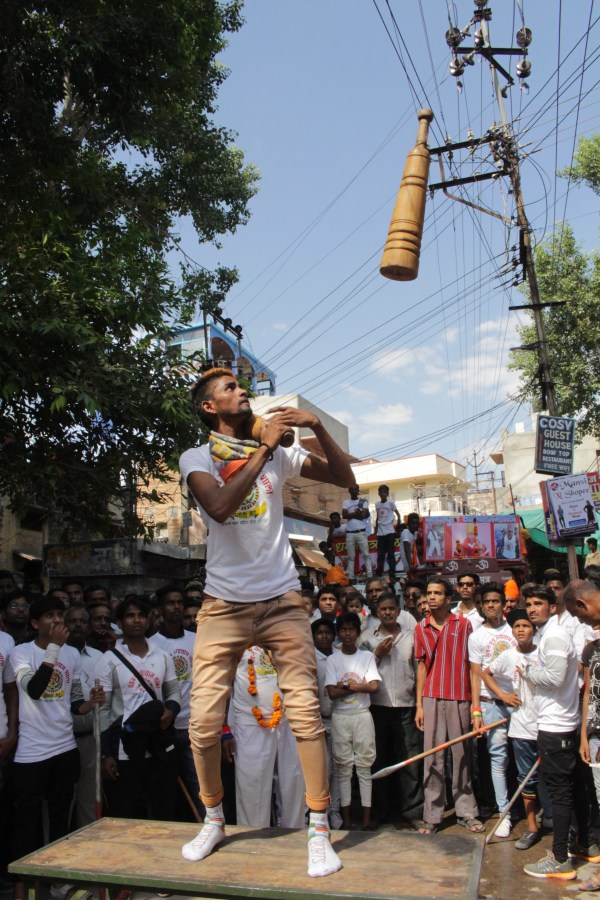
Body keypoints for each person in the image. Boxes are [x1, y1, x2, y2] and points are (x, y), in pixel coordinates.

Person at [179, 367, 353, 877]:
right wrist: (264, 450)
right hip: (223, 606)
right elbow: (220, 507)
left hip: (281, 601)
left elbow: (345, 480)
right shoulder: (198, 457)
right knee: (206, 722)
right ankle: (214, 819)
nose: (242, 391)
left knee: (305, 716)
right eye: (229, 387)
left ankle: (318, 830)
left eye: (240, 384)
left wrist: (316, 427)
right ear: (210, 407)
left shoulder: (279, 451)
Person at [8, 597, 105, 899]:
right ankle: (30, 883)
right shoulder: (20, 653)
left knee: (62, 818)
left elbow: (73, 701)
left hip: (65, 749)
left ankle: (58, 880)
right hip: (32, 753)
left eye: (58, 614)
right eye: (48, 615)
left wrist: (90, 703)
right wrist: (53, 650)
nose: (56, 620)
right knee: (29, 823)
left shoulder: (72, 655)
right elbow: (35, 690)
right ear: (35, 623)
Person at [519, 584, 596, 880]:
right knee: (575, 789)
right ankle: (584, 844)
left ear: (553, 607)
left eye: (538, 603)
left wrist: (527, 671)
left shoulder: (553, 636)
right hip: (564, 724)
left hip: (555, 727)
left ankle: (560, 857)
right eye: (529, 604)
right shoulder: (551, 634)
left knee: (560, 794)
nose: (532, 608)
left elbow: (553, 676)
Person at [101, 597, 181, 821]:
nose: (136, 620)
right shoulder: (109, 660)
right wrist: (106, 754)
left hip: (159, 745)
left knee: (162, 809)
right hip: (124, 749)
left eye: (141, 615)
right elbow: (103, 710)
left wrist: (171, 711)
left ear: (148, 620)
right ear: (120, 622)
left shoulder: (162, 656)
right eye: (130, 615)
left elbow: (174, 692)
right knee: (127, 813)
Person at [414, 577, 483, 835]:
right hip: (431, 696)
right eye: (429, 593)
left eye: (437, 593)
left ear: (447, 597)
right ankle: (432, 814)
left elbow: (473, 666)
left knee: (462, 755)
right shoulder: (421, 628)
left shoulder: (463, 625)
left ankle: (466, 811)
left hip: (460, 696)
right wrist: (419, 705)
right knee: (432, 757)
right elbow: (421, 667)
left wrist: (475, 707)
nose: (431, 597)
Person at [482, 608, 546, 851]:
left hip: (546, 724)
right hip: (520, 727)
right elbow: (485, 673)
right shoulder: (508, 656)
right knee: (525, 778)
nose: (521, 630)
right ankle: (531, 828)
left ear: (534, 629)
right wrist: (503, 695)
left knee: (550, 777)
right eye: (517, 626)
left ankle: (550, 818)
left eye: (526, 626)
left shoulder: (545, 653)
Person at [362, 592, 423, 825]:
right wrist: (376, 655)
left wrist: (419, 704)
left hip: (406, 706)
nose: (387, 612)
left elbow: (420, 670)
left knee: (410, 761)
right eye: (383, 609)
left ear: (398, 611)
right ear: (377, 612)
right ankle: (380, 811)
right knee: (379, 760)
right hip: (377, 707)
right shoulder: (367, 638)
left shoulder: (411, 636)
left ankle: (413, 812)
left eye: (391, 609)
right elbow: (360, 672)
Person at [232, 646, 305, 829]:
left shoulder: (283, 634)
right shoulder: (237, 637)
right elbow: (222, 683)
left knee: (294, 782)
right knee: (252, 787)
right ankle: (254, 840)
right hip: (250, 722)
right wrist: (224, 728)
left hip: (289, 719)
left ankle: (294, 836)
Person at [468, 584, 517, 837]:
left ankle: (530, 808)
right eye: (486, 602)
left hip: (520, 705)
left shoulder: (516, 629)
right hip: (491, 705)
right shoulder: (476, 636)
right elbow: (475, 675)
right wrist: (476, 710)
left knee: (523, 759)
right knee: (497, 759)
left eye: (496, 601)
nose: (491, 606)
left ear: (504, 603)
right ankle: (504, 813)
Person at [151, 585, 203, 817]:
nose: (176, 607)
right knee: (166, 788)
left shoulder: (196, 639)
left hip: (194, 725)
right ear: (160, 609)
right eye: (170, 603)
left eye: (179, 602)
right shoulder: (152, 644)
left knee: (200, 786)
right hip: (165, 728)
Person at [325, 612, 380, 830]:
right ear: (338, 633)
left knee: (364, 767)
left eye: (351, 630)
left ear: (358, 633)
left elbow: (374, 687)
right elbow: (331, 692)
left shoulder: (366, 657)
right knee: (343, 768)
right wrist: (360, 686)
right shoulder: (333, 659)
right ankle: (347, 819)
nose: (347, 634)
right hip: (341, 717)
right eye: (344, 630)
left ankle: (366, 819)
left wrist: (348, 686)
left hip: (362, 715)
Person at [64, 605, 112, 828]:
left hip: (92, 737)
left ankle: (88, 842)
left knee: (89, 797)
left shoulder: (99, 657)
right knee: (63, 800)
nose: (78, 625)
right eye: (73, 621)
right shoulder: (56, 655)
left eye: (82, 621)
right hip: (64, 739)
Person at [311, 619, 342, 829]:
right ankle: (319, 812)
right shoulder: (310, 657)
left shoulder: (340, 655)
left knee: (339, 770)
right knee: (323, 770)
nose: (324, 637)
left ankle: (336, 812)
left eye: (328, 633)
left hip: (340, 717)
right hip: (318, 719)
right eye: (320, 633)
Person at [342, 485, 373, 579]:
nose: (354, 491)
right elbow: (344, 515)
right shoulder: (346, 502)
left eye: (355, 489)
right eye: (352, 489)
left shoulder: (363, 501)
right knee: (351, 556)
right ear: (349, 490)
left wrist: (350, 514)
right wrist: (355, 514)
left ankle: (370, 575)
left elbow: (363, 515)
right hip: (350, 532)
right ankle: (350, 577)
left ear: (358, 490)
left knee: (366, 555)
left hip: (361, 531)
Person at [374, 485, 399, 585]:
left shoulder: (391, 503)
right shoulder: (377, 504)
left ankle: (392, 574)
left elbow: (398, 514)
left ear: (387, 493)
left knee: (391, 554)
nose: (383, 493)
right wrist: (375, 531)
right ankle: (379, 574)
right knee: (380, 555)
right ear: (379, 493)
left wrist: (398, 526)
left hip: (390, 532)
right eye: (381, 492)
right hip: (381, 532)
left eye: (384, 492)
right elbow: (377, 518)